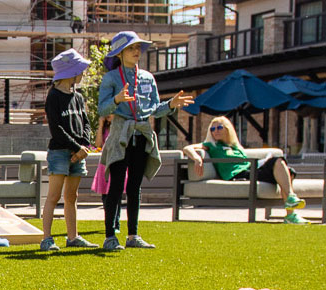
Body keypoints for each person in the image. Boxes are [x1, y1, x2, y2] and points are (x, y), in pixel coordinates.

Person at [97, 30, 193, 251]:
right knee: (116, 186)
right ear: (119, 53)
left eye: (138, 47)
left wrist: (171, 105)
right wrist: (117, 99)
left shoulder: (148, 77)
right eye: (131, 48)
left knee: (135, 186)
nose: (136, 51)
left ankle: (133, 236)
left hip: (142, 135)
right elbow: (102, 109)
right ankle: (110, 237)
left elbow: (155, 109)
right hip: (120, 135)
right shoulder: (111, 78)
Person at [182, 116, 305, 220]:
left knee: (288, 171)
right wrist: (197, 158)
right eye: (213, 129)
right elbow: (187, 148)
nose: (216, 131)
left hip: (251, 170)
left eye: (219, 127)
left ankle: (290, 214)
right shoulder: (211, 145)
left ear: (227, 129)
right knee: (278, 161)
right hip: (238, 175)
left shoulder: (235, 146)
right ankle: (291, 199)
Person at [40, 48, 96, 252]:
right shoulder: (53, 96)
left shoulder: (78, 97)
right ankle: (47, 238)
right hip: (60, 153)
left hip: (78, 154)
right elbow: (56, 129)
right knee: (54, 196)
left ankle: (73, 237)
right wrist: (76, 147)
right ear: (70, 72)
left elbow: (86, 123)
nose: (82, 73)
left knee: (72, 196)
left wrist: (84, 146)